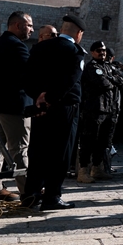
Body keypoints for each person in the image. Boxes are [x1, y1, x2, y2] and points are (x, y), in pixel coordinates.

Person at [22, 14, 87, 211]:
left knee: (38, 149)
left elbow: (27, 77)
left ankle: (31, 194)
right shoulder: (75, 51)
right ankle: (52, 196)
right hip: (64, 107)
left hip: (40, 107)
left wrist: (39, 97)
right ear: (79, 33)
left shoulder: (40, 47)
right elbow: (70, 80)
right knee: (61, 152)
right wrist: (50, 97)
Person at [0, 11, 34, 203]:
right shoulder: (15, 45)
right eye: (29, 25)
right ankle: (28, 191)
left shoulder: (2, 42)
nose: (32, 29)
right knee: (19, 148)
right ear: (18, 25)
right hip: (13, 104)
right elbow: (29, 73)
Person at [76, 41, 123, 184]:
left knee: (104, 141)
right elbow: (103, 84)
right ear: (92, 52)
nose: (102, 53)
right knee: (89, 141)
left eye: (103, 50)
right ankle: (83, 170)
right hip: (94, 110)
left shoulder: (108, 66)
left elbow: (121, 80)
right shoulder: (92, 67)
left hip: (109, 109)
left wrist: (111, 79)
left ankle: (97, 168)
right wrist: (113, 80)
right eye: (98, 50)